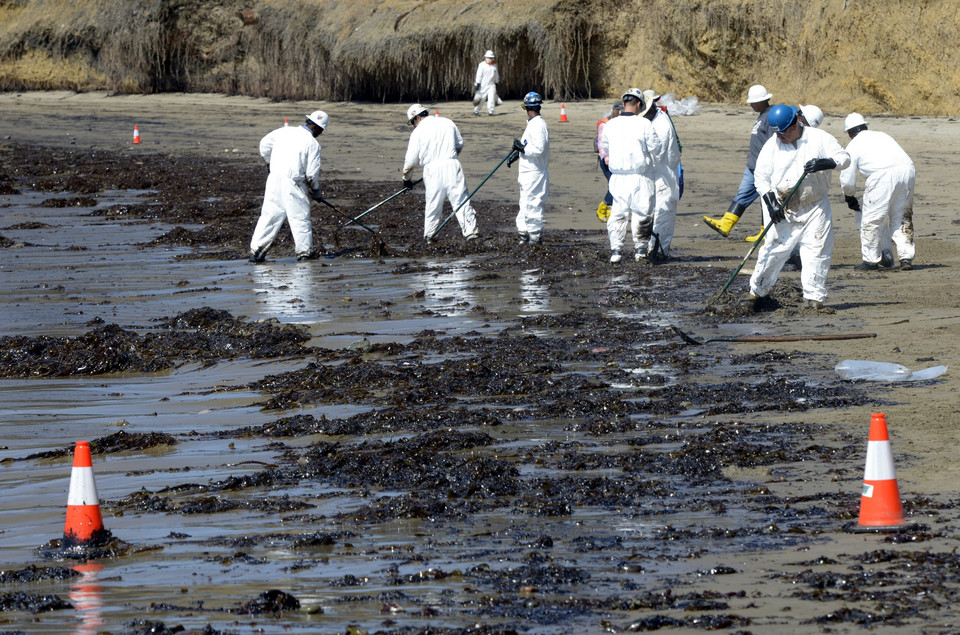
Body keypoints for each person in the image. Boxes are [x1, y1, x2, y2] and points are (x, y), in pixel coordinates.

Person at [742, 105, 850, 310]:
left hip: (815, 206)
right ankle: (756, 292)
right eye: (776, 133)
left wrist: (825, 163)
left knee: (817, 250)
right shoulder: (772, 145)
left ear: (796, 124)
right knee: (774, 250)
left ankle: (814, 298)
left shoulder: (820, 138)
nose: (779, 137)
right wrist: (771, 203)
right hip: (782, 208)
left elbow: (844, 159)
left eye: (783, 132)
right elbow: (761, 178)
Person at [839, 112, 916, 271]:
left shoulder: (853, 145)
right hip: (907, 170)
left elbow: (847, 178)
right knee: (902, 215)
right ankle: (906, 258)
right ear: (866, 126)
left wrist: (849, 195)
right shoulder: (882, 135)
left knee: (872, 219)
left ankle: (871, 261)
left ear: (849, 132)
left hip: (882, 175)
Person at [249, 110, 327, 263]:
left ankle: (256, 251)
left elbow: (264, 145)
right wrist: (316, 191)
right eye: (321, 131)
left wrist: (269, 163)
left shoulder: (283, 132)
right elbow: (311, 174)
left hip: (274, 179)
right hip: (294, 183)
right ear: (318, 128)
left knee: (269, 216)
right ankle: (304, 253)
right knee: (299, 218)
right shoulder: (313, 144)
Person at [702, 84, 775, 238]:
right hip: (752, 166)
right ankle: (726, 223)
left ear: (762, 101)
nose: (751, 105)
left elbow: (774, 142)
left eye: (753, 103)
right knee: (743, 194)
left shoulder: (770, 116)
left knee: (764, 199)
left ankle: (765, 231)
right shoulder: (762, 114)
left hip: (763, 168)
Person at [599, 88, 662, 263]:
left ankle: (616, 251)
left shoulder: (610, 124)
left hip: (618, 177)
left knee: (617, 214)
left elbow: (606, 148)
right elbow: (657, 149)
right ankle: (640, 251)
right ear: (639, 104)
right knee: (642, 213)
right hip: (640, 176)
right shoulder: (644, 124)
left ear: (624, 103)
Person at [402, 103, 479, 242]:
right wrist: (451, 157)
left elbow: (410, 160)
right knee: (461, 200)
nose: (413, 125)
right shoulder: (447, 122)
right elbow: (459, 144)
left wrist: (407, 179)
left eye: (413, 122)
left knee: (433, 203)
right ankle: (471, 233)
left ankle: (430, 235)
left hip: (432, 170)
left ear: (418, 118)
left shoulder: (418, 131)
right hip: (452, 164)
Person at [641, 89, 681, 259]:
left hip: (665, 176)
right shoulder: (654, 119)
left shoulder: (661, 125)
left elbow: (655, 155)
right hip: (657, 174)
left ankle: (659, 253)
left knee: (663, 215)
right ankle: (652, 250)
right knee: (651, 214)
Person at [512, 91, 550, 244]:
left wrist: (523, 149)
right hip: (528, 172)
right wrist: (518, 154)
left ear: (526, 107)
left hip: (535, 173)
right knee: (525, 203)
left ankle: (534, 237)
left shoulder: (539, 125)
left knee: (533, 204)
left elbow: (539, 149)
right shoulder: (533, 124)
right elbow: (529, 145)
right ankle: (524, 234)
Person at [594, 101, 623, 222]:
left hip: (619, 160)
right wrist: (606, 156)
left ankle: (612, 208)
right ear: (617, 111)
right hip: (607, 160)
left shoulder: (623, 123)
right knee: (614, 185)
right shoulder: (605, 124)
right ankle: (604, 208)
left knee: (617, 185)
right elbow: (601, 143)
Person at [472, 50, 500, 117]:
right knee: (481, 99)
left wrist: (496, 82)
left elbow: (496, 75)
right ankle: (476, 111)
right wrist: (477, 83)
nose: (491, 59)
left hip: (491, 85)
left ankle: (491, 112)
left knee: (491, 98)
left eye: (492, 58)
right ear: (486, 58)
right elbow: (479, 75)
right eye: (489, 58)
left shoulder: (494, 66)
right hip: (483, 85)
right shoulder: (481, 65)